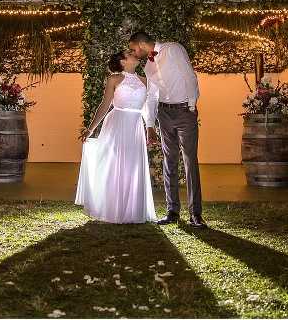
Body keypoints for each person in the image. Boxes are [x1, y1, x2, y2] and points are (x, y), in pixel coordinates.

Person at [127, 30, 207, 229]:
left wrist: (192, 106)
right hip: (164, 113)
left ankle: (195, 214)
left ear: (143, 44)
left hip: (184, 111)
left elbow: (190, 76)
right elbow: (152, 96)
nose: (133, 53)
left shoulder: (173, 49)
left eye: (133, 49)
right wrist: (150, 125)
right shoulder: (148, 65)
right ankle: (172, 211)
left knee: (190, 161)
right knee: (169, 161)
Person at [75, 49, 157, 224]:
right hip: (117, 122)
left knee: (133, 165)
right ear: (123, 61)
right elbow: (104, 106)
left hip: (135, 125)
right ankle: (114, 208)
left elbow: (147, 109)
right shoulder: (114, 79)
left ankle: (133, 210)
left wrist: (150, 128)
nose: (135, 54)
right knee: (115, 164)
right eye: (130, 54)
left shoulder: (145, 81)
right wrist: (90, 130)